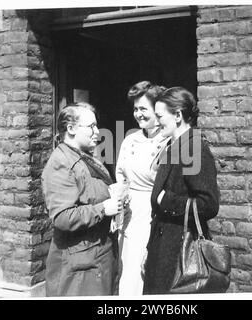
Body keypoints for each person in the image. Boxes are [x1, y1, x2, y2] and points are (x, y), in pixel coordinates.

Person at [143, 87, 220, 295]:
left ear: (177, 115)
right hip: (163, 246)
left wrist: (167, 200)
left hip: (179, 250)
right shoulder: (173, 144)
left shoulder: (194, 148)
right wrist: (150, 251)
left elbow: (209, 204)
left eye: (159, 116)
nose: (156, 122)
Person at [42, 102, 122, 296]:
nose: (97, 132)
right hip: (79, 266)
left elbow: (89, 194)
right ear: (70, 129)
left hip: (95, 258)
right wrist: (103, 209)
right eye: (91, 127)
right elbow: (62, 217)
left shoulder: (85, 157)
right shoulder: (61, 163)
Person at [115, 81, 168, 295]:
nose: (138, 114)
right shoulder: (130, 140)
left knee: (147, 274)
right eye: (135, 109)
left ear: (157, 110)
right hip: (129, 214)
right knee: (127, 272)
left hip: (154, 214)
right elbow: (120, 174)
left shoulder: (169, 142)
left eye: (143, 108)